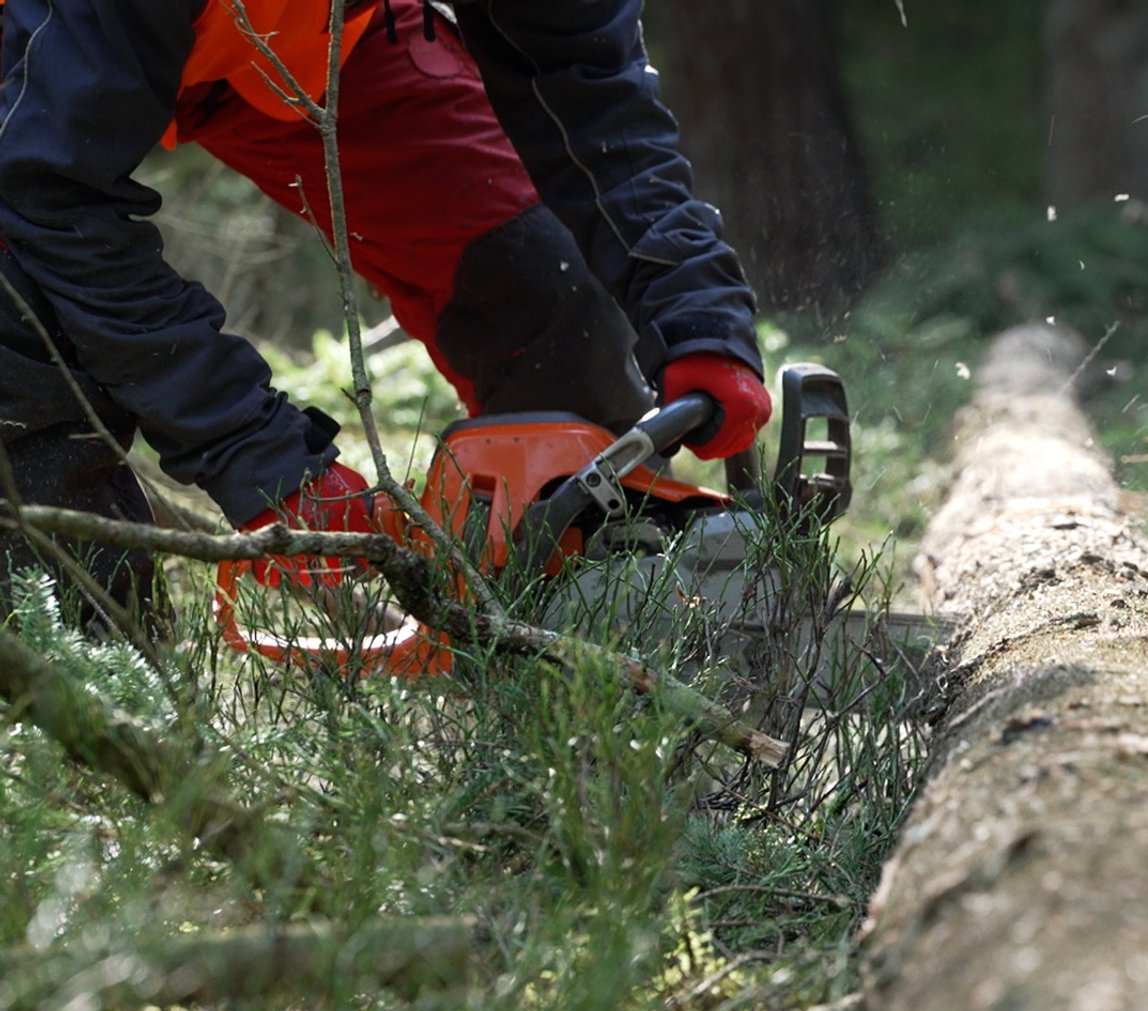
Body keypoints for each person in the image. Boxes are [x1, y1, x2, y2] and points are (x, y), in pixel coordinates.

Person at [0, 0, 772, 623]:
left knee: (546, 286)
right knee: (24, 347)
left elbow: (580, 72)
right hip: (33, 52)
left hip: (305, 35)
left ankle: (589, 624)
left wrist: (695, 303)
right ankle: (78, 712)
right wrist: (258, 456)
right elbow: (45, 186)